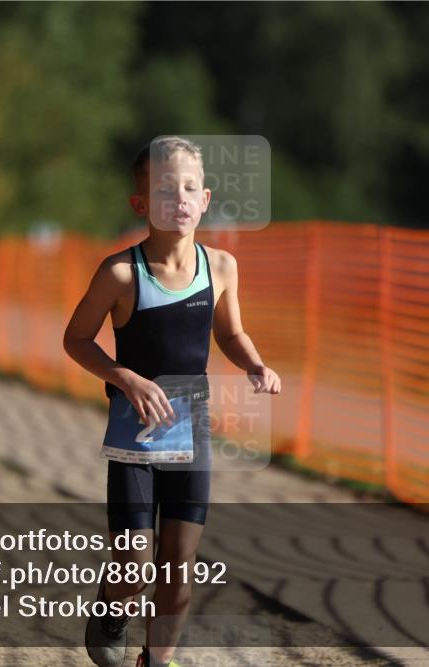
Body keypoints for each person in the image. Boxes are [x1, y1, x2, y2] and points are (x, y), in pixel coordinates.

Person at [63, 136, 281, 667]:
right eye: (165, 188)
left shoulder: (222, 267)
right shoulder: (119, 273)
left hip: (193, 428)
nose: (178, 197)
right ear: (141, 205)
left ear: (204, 199)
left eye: (188, 187)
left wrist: (254, 363)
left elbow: (230, 333)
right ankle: (113, 610)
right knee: (135, 566)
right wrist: (127, 380)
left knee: (179, 568)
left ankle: (156, 662)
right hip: (134, 432)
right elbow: (75, 340)